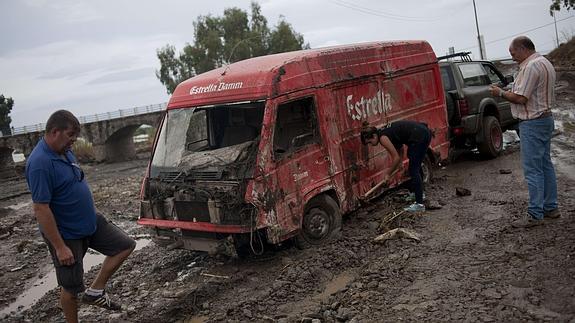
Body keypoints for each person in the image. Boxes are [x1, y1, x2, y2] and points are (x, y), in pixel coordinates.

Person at [25, 110, 135, 323]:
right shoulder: (39, 163)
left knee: (125, 245)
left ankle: (95, 292)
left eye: (76, 135)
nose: (74, 140)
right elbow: (41, 209)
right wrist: (60, 247)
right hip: (67, 233)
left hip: (90, 221)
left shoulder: (65, 151)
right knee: (71, 287)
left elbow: (74, 184)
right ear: (55, 131)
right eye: (70, 135)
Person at [489, 36, 560, 228]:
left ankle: (535, 214)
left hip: (532, 122)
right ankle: (551, 207)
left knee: (533, 170)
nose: (512, 57)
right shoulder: (545, 62)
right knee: (545, 165)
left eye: (513, 53)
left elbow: (521, 98)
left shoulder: (530, 67)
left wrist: (500, 93)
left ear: (523, 49)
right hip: (545, 119)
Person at [361, 120, 432, 212]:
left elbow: (395, 158)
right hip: (422, 132)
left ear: (374, 136)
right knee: (414, 167)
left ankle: (419, 204)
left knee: (414, 169)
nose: (370, 145)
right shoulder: (384, 133)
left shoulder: (382, 138)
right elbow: (399, 146)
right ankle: (418, 194)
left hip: (420, 136)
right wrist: (400, 163)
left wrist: (388, 174)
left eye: (369, 142)